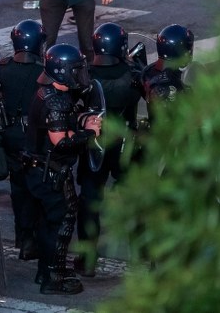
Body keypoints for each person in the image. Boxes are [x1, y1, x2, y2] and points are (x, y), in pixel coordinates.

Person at [24, 43, 101, 294]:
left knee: (50, 224)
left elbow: (61, 126)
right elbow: (62, 141)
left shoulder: (48, 93)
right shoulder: (56, 101)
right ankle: (53, 278)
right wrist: (89, 132)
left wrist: (80, 121)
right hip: (51, 173)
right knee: (60, 225)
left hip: (42, 170)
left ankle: (47, 270)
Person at [73, 22, 141, 276]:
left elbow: (75, 108)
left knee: (90, 201)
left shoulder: (87, 75)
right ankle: (142, 256)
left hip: (95, 144)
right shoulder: (132, 74)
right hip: (124, 144)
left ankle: (88, 259)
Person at [0, 19, 47, 261]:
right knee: (36, 187)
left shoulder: (3, 67)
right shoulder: (42, 71)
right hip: (34, 135)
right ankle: (31, 239)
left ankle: (21, 236)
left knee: (17, 188)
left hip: (11, 133)